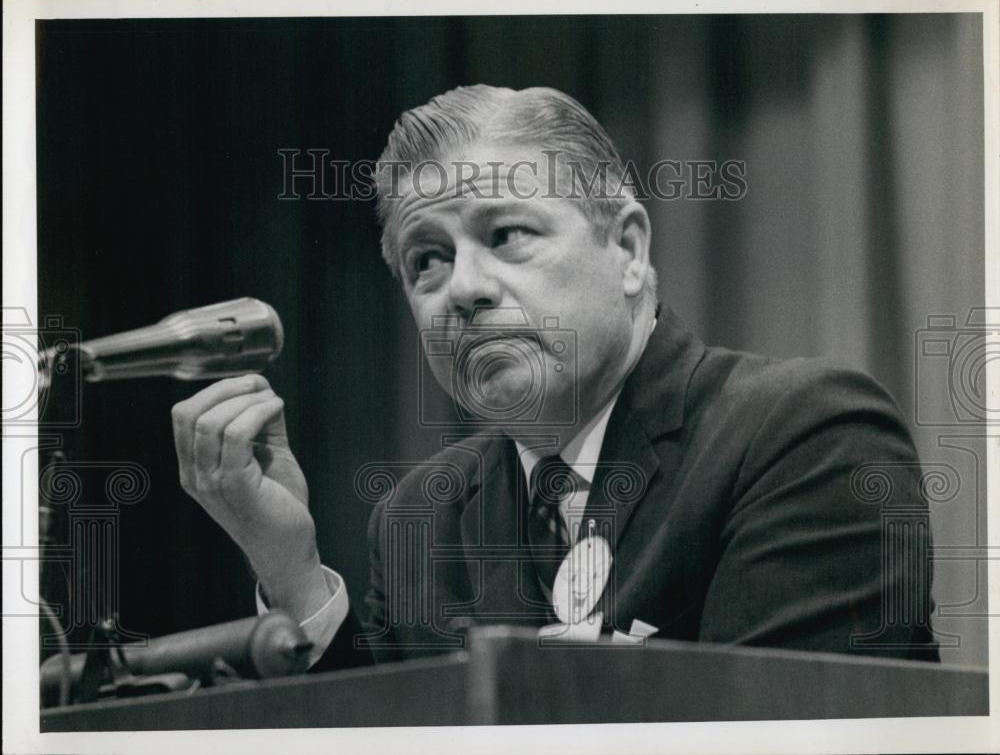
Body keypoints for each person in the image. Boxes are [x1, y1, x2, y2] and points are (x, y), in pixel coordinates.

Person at [170, 85, 938, 672]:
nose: (462, 287)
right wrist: (290, 568)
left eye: (507, 234)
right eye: (425, 260)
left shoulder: (804, 436)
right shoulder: (417, 521)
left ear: (629, 249)